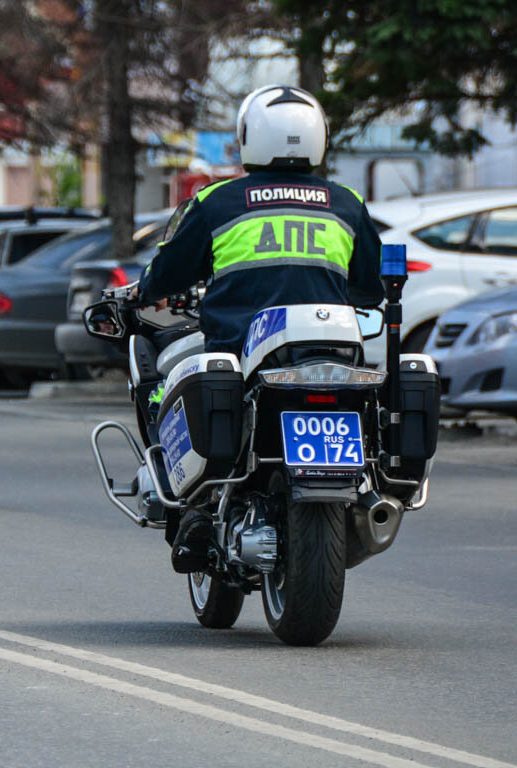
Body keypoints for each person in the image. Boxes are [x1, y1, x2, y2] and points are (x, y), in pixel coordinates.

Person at [133, 85, 384, 573]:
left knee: (169, 390)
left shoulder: (218, 202)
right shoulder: (347, 204)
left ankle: (200, 506)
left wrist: (143, 291)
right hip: (331, 357)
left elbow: (164, 276)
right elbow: (370, 288)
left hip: (241, 355)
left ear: (247, 137)